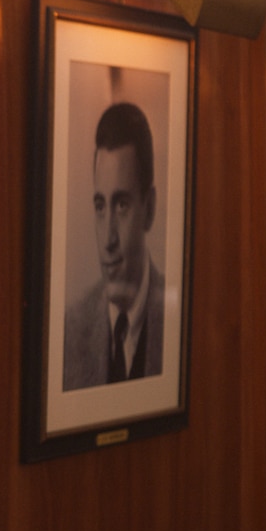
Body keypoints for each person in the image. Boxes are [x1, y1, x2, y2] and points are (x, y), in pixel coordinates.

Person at [63, 102, 165, 391]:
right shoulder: (71, 329)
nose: (108, 239)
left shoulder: (174, 326)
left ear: (150, 208)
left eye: (121, 205)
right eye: (100, 206)